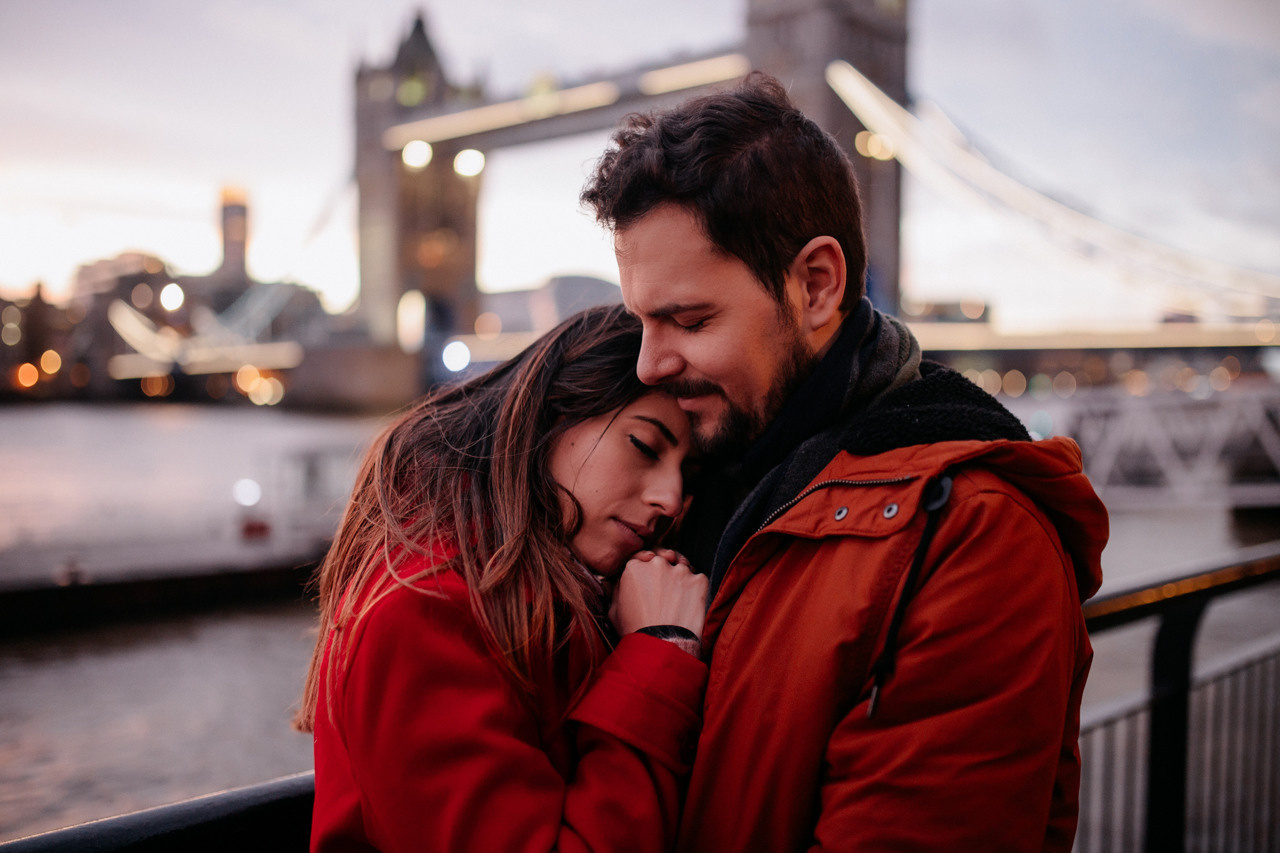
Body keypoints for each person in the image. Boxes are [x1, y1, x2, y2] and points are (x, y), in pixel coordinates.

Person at [581, 72, 1109, 852]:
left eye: (688, 320)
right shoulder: (689, 488)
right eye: (642, 323)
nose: (650, 363)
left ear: (816, 285)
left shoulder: (979, 538)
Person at [294, 305, 709, 853]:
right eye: (644, 447)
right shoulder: (425, 613)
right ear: (553, 416)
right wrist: (659, 653)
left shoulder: (546, 592)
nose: (670, 498)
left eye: (687, 475)